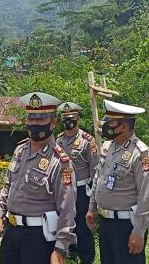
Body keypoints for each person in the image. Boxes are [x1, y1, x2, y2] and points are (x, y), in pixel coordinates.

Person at [0, 92, 77, 264]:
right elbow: (8, 186)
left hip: (39, 237)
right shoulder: (20, 150)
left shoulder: (60, 161)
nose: (35, 124)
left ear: (53, 123)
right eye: (31, 119)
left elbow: (67, 209)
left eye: (41, 120)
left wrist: (60, 249)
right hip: (11, 232)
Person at [86, 100, 149, 264]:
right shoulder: (108, 147)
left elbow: (146, 196)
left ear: (124, 126)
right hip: (106, 222)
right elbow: (98, 179)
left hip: (127, 225)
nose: (105, 125)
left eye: (110, 122)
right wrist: (92, 208)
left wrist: (139, 231)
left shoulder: (140, 153)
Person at [56, 102, 99, 264]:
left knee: (83, 228)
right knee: (66, 223)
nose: (68, 122)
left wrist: (93, 198)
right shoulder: (58, 140)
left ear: (78, 119)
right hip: (63, 190)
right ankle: (70, 255)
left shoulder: (87, 141)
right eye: (65, 119)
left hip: (82, 191)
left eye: (71, 118)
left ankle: (87, 259)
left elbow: (95, 171)